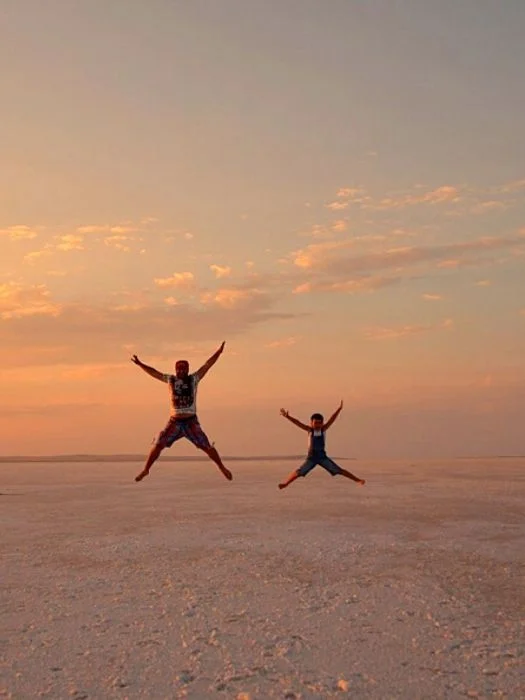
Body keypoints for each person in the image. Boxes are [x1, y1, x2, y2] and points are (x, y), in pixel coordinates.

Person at [131, 342, 232, 482]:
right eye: (179, 369)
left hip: (190, 421)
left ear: (188, 369)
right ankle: (146, 470)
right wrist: (141, 364)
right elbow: (154, 373)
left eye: (184, 369)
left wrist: (218, 353)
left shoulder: (194, 379)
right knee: (159, 443)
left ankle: (222, 467)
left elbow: (207, 365)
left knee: (206, 446)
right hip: (175, 421)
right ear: (176, 369)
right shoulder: (170, 380)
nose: (181, 371)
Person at [278, 401, 365, 489]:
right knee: (300, 472)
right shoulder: (309, 430)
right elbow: (298, 423)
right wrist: (288, 417)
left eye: (320, 423)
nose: (318, 425)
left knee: (339, 470)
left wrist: (339, 409)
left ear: (322, 423)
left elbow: (332, 419)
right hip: (311, 458)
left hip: (322, 457)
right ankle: (286, 483)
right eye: (315, 423)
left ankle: (357, 480)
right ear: (311, 423)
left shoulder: (323, 430)